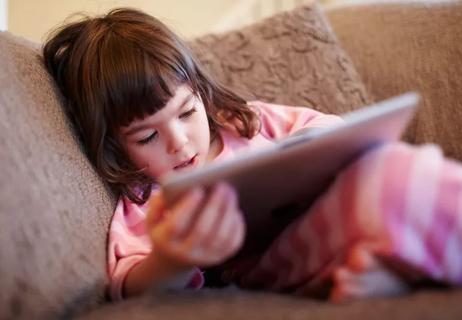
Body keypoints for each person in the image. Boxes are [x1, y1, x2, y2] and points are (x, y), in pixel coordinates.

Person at [42, 8, 462, 302]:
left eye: (187, 112)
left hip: (338, 222)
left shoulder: (246, 120)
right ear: (115, 145)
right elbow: (129, 283)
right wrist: (173, 258)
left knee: (393, 168)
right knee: (398, 181)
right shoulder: (145, 198)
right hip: (271, 264)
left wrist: (307, 151)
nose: (180, 142)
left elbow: (331, 129)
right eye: (148, 136)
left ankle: (379, 272)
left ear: (201, 95)